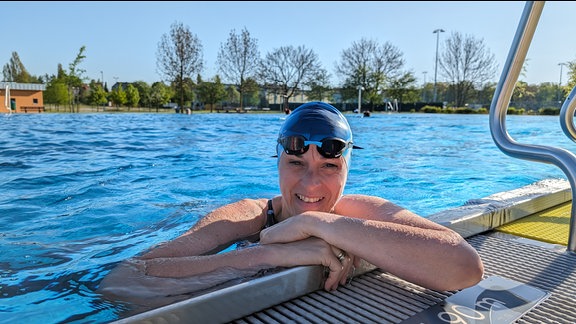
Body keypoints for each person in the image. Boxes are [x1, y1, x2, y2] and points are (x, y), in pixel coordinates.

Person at [99, 101, 483, 307]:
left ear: (347, 169)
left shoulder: (357, 210)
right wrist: (268, 256)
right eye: (296, 163)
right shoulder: (246, 217)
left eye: (329, 166)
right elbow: (123, 279)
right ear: (278, 162)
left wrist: (322, 225)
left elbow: (464, 267)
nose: (311, 182)